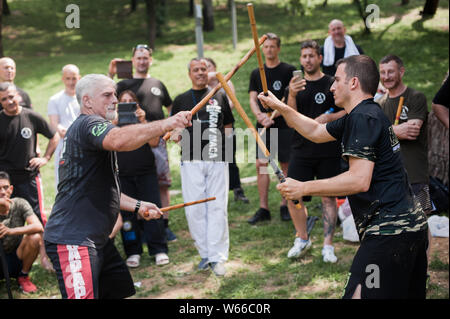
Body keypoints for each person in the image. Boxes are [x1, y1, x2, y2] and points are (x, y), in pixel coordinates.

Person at [258, 55, 428, 299]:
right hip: (411, 229)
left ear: (353, 83)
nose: (331, 86)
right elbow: (315, 131)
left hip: (389, 233)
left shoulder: (362, 118)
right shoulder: (363, 114)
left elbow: (359, 180)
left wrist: (303, 188)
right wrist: (281, 106)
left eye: (337, 80)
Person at [43, 74, 191, 299]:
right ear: (87, 101)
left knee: (122, 293)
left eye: (114, 93)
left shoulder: (93, 129)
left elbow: (104, 191)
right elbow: (120, 140)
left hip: (97, 240)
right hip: (73, 240)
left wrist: (138, 205)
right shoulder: (88, 124)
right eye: (107, 95)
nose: (115, 99)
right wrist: (167, 123)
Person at [284, 40, 346, 262]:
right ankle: (302, 238)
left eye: (311, 55)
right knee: (293, 195)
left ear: (320, 58)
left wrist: (329, 117)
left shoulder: (332, 83)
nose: (307, 60)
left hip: (328, 149)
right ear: (300, 60)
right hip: (301, 150)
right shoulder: (295, 86)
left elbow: (347, 111)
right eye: (304, 56)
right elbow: (290, 120)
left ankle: (328, 246)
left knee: (328, 198)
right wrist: (290, 94)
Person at [171, 58, 234, 276]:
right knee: (195, 207)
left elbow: (228, 125)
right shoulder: (180, 100)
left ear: (208, 72)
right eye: (196, 70)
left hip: (217, 159)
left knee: (217, 206)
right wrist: (176, 136)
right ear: (189, 74)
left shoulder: (219, 94)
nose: (200, 73)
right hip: (191, 159)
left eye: (203, 69)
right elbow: (173, 130)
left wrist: (227, 151)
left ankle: (218, 257)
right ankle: (205, 253)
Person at [108, 44, 177, 242]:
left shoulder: (157, 83)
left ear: (151, 60)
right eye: (138, 58)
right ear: (133, 61)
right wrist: (111, 74)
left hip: (156, 140)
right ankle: (138, 230)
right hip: (131, 141)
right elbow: (107, 101)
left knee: (160, 186)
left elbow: (170, 107)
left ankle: (162, 226)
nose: (142, 61)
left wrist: (169, 129)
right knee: (134, 186)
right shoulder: (123, 84)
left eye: (145, 57)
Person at [0, 82, 59, 271]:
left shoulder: (30, 116)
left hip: (29, 178)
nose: (9, 101)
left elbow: (54, 135)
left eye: (11, 96)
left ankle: (44, 258)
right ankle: (14, 260)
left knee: (39, 218)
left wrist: (46, 157)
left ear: (18, 95)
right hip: (5, 182)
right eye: (4, 99)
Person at [116, 90, 169, 268]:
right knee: (127, 215)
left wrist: (143, 121)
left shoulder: (143, 123)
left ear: (137, 105)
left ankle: (158, 248)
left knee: (152, 208)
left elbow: (154, 142)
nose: (127, 103)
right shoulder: (112, 125)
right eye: (123, 101)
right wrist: (114, 121)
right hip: (122, 174)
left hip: (146, 172)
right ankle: (133, 251)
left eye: (131, 101)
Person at [248, 32, 296, 224]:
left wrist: (275, 114)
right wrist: (259, 116)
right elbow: (252, 98)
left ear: (278, 48)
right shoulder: (256, 72)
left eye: (272, 46)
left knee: (285, 165)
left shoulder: (288, 70)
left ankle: (285, 205)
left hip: (283, 125)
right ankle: (263, 208)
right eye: (265, 47)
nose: (268, 49)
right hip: (263, 127)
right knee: (262, 166)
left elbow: (288, 96)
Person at [378, 55, 432, 215]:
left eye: (390, 72)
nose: (386, 77)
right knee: (395, 223)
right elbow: (372, 137)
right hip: (388, 176)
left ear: (401, 72)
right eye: (383, 72)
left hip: (415, 174)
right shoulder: (379, 104)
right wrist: (394, 131)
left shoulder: (415, 97)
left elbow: (412, 130)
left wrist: (383, 133)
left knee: (422, 221)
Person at [204, 56, 249, 204]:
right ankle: (212, 192)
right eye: (203, 67)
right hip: (208, 129)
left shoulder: (225, 81)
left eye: (209, 66)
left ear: (214, 67)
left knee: (230, 159)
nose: (206, 70)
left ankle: (237, 189)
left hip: (226, 126)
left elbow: (231, 103)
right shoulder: (202, 87)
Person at [0, 171, 43, 294]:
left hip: (17, 256)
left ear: (11, 189)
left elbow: (38, 226)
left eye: (5, 187)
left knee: (35, 237)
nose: (3, 192)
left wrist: (10, 231)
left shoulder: (19, 203)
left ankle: (23, 276)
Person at [47, 64, 81, 190]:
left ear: (79, 78)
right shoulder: (55, 99)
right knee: (63, 181)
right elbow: (54, 123)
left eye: (74, 78)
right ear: (63, 79)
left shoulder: (84, 99)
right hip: (64, 146)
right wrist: (61, 129)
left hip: (83, 144)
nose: (71, 82)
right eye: (68, 78)